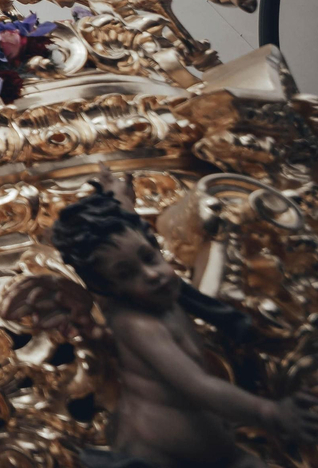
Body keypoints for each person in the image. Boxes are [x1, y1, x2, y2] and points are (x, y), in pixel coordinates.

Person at [50, 171, 318, 468]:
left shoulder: (156, 289)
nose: (151, 275)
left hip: (219, 449)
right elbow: (198, 386)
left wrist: (118, 198)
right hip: (159, 454)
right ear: (107, 288)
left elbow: (133, 230)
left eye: (149, 258)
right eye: (127, 274)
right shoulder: (136, 324)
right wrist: (271, 413)